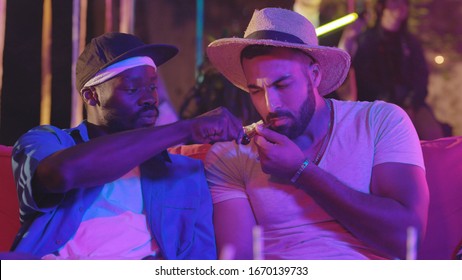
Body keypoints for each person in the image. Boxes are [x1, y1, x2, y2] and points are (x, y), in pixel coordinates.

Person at [205, 7, 429, 260]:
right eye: (256, 90)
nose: (271, 104)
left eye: (282, 84)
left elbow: (406, 240)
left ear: (314, 75)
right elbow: (237, 263)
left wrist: (302, 172)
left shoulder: (379, 121)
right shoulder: (233, 153)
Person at [10, 32, 243, 260]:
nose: (149, 99)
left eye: (152, 87)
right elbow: (61, 174)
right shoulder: (46, 142)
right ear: (92, 96)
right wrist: (185, 128)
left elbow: (198, 260)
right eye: (133, 89)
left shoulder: (184, 173)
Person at [338, 0, 445, 140]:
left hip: (412, 105)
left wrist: (411, 102)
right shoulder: (367, 40)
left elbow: (421, 77)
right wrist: (387, 103)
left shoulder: (410, 43)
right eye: (394, 3)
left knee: (434, 135)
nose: (400, 8)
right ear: (382, 7)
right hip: (378, 105)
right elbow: (358, 75)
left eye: (404, 4)